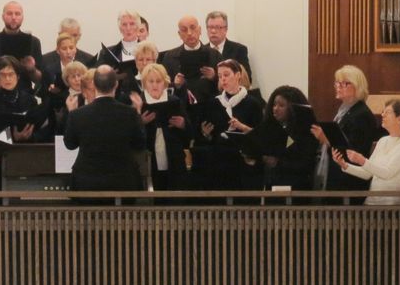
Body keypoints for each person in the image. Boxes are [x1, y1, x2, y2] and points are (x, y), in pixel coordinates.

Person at [63, 65, 146, 197]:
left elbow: (70, 144)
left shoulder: (77, 114)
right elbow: (140, 144)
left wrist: (71, 112)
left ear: (95, 85)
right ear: (116, 84)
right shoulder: (129, 113)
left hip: (86, 184)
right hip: (123, 184)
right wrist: (138, 112)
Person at [191, 59, 264, 191]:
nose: (223, 79)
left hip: (242, 163)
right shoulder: (213, 103)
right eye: (220, 76)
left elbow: (260, 136)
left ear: (238, 75)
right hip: (219, 163)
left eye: (226, 75)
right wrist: (205, 134)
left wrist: (242, 127)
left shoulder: (252, 103)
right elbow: (203, 137)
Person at [310, 65, 378, 201]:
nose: (338, 86)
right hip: (339, 176)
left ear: (357, 86)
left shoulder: (361, 115)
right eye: (337, 83)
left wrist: (326, 140)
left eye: (344, 83)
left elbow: (355, 152)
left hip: (349, 182)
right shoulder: (345, 110)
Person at [332, 99, 400, 205]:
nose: (382, 115)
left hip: (392, 204)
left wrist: (362, 160)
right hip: (372, 201)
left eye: (387, 112)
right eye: (383, 112)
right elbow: (367, 173)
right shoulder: (383, 140)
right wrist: (344, 165)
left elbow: (387, 173)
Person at [132, 63, 190, 192]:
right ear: (144, 83)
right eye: (151, 81)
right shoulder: (139, 103)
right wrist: (140, 122)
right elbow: (131, 137)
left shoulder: (174, 101)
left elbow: (189, 134)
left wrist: (183, 124)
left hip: (173, 158)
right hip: (149, 159)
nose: (154, 85)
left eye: (158, 81)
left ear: (164, 83)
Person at [256, 85, 319, 192]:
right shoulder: (270, 129)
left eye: (281, 105)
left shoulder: (306, 133)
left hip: (296, 189)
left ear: (293, 108)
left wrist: (278, 163)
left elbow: (305, 164)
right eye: (274, 104)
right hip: (271, 187)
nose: (275, 109)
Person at [0, 1, 43, 84]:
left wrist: (31, 69)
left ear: (22, 17)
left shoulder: (33, 42)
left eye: (17, 14)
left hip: (24, 90)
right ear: (3, 17)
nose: (14, 17)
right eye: (9, 14)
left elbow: (40, 79)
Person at [160, 15, 221, 104]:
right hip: (181, 106)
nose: (189, 33)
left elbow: (225, 85)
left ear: (200, 30)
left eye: (193, 28)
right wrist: (175, 84)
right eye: (184, 30)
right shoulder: (170, 57)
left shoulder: (214, 55)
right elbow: (162, 87)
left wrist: (214, 77)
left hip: (209, 105)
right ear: (179, 34)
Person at [42, 32, 94, 114]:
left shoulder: (83, 67)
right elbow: (44, 96)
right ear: (58, 51)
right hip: (58, 109)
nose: (68, 52)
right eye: (64, 48)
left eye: (71, 48)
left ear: (75, 49)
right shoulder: (49, 70)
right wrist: (52, 92)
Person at [206, 10, 252, 81]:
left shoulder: (239, 50)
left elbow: (247, 79)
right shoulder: (202, 51)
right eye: (210, 27)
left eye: (218, 27)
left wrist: (215, 76)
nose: (213, 31)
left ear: (226, 29)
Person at [93, 10, 141, 75]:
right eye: (124, 24)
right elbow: (97, 75)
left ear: (138, 27)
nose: (128, 28)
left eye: (132, 24)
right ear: (120, 29)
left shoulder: (149, 51)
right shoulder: (107, 54)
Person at [54, 60, 88, 135]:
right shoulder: (60, 98)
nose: (77, 79)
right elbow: (59, 126)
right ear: (67, 80)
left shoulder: (91, 94)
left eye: (79, 75)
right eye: (73, 77)